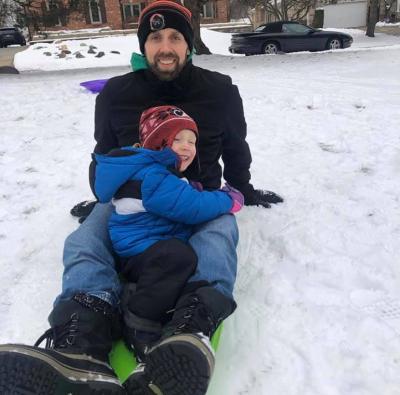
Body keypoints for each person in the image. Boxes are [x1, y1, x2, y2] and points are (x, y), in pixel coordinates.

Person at [0, 1, 283, 395]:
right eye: (155, 38)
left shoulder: (219, 90)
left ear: (188, 45)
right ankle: (83, 335)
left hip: (196, 194)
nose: (165, 47)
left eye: (174, 38)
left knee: (219, 231)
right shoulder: (116, 94)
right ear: (144, 45)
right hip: (129, 201)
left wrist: (243, 190)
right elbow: (102, 155)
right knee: (84, 240)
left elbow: (237, 147)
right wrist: (101, 195)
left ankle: (192, 323)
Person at [94, 105, 243, 363]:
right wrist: (228, 200)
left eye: (192, 141)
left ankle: (159, 295)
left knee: (179, 256)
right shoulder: (154, 177)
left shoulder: (158, 174)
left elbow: (181, 197)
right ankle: (139, 321)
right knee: (178, 257)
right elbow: (193, 207)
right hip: (141, 252)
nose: (187, 146)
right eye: (177, 139)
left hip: (147, 246)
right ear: (155, 143)